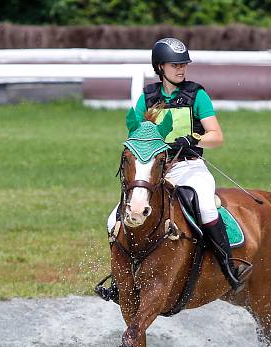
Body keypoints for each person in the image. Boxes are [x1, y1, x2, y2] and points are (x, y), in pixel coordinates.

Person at [95, 37, 251, 302]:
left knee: (206, 206)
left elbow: (217, 135)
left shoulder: (196, 95)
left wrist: (194, 139)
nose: (181, 69)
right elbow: (136, 134)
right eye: (175, 65)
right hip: (158, 170)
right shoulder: (148, 97)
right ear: (160, 67)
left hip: (190, 168)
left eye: (184, 65)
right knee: (115, 218)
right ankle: (121, 279)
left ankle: (228, 267)